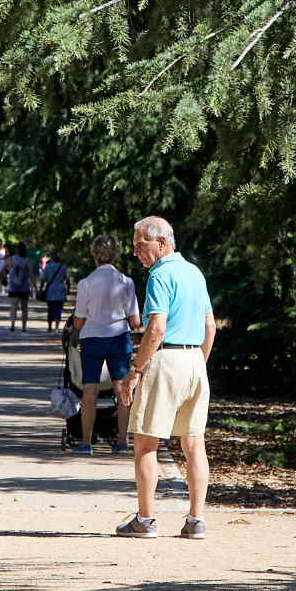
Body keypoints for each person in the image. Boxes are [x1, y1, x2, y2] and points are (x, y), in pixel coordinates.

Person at [116, 216, 215, 540]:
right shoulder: (194, 272)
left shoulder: (160, 275)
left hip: (167, 359)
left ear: (161, 242)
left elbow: (156, 328)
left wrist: (135, 371)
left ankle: (144, 521)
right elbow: (210, 327)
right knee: (194, 443)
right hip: (194, 360)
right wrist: (198, 361)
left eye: (139, 245)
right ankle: (196, 520)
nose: (135, 252)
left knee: (146, 442)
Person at [71, 236, 141, 455]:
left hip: (92, 338)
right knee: (121, 389)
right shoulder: (126, 282)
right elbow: (135, 321)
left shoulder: (86, 283)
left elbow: (79, 319)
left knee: (89, 390)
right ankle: (122, 441)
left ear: (94, 255)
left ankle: (86, 442)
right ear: (116, 254)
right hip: (119, 337)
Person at [38, 251, 69, 333]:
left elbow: (43, 279)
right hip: (60, 291)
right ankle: (57, 327)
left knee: (50, 309)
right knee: (58, 310)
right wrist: (68, 291)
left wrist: (40, 290)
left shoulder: (48, 267)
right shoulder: (63, 267)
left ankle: (50, 327)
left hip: (50, 291)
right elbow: (68, 280)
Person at [4, 242, 32, 332]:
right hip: (24, 287)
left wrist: (4, 278)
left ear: (17, 249)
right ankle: (24, 327)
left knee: (13, 307)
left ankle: (12, 325)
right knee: (24, 308)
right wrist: (35, 288)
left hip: (13, 287)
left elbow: (3, 269)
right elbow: (31, 275)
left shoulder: (11, 259)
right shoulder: (27, 260)